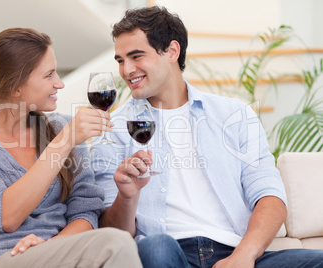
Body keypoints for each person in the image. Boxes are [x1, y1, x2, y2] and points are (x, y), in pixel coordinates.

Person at [90, 6, 323, 268]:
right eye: (120, 60)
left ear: (172, 51)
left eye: (135, 56)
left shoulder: (234, 115)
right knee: (155, 246)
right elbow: (111, 234)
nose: (126, 70)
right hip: (165, 253)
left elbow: (271, 198)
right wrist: (127, 196)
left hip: (237, 253)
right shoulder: (112, 128)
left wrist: (242, 258)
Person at [0, 28, 142, 268]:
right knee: (115, 244)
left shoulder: (62, 127)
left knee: (116, 242)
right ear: (15, 85)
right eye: (49, 75)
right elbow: (6, 217)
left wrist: (51, 246)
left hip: (56, 255)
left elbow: (85, 213)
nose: (60, 84)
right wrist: (63, 143)